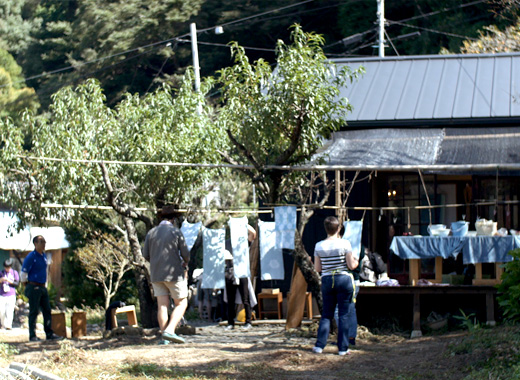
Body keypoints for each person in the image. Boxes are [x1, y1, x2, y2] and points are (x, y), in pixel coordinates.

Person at [143, 204, 190, 344]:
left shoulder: (151, 232)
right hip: (173, 273)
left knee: (162, 305)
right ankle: (170, 331)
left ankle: (164, 337)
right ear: (174, 219)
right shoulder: (176, 232)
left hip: (156, 274)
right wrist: (185, 262)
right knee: (181, 303)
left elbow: (145, 255)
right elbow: (186, 254)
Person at [313, 216, 358, 356]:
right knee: (344, 315)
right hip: (343, 279)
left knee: (326, 314)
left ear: (325, 229)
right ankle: (343, 348)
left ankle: (319, 346)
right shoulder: (345, 244)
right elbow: (351, 265)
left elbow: (317, 268)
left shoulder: (318, 245)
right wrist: (356, 261)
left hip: (327, 280)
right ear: (338, 228)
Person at [21, 235, 63, 341]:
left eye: (44, 242)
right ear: (35, 244)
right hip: (34, 286)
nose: (44, 244)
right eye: (41, 242)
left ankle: (49, 333)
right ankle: (32, 335)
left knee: (47, 310)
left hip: (42, 286)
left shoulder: (44, 256)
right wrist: (27, 285)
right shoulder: (31, 256)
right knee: (34, 311)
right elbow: (24, 272)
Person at [224, 225, 256, 331]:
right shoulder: (226, 243)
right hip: (230, 272)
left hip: (242, 272)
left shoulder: (243, 242)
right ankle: (230, 323)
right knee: (230, 300)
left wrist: (243, 223)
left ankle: (248, 321)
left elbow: (253, 233)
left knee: (245, 298)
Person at [0, 258, 20, 330]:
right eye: (6, 267)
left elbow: (17, 283)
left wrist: (9, 281)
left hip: (11, 294)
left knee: (10, 310)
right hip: (2, 294)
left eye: (8, 267)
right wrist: (1, 280)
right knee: (1, 311)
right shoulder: (1, 273)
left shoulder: (14, 273)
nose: (7, 269)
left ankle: (9, 325)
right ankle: (3, 324)